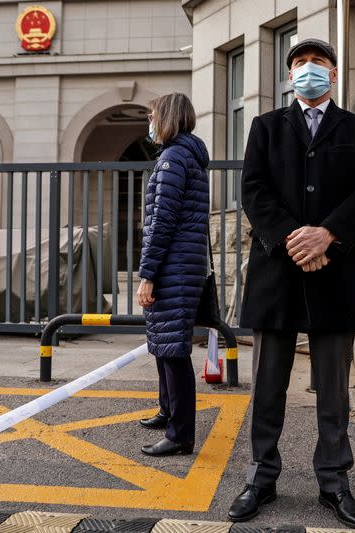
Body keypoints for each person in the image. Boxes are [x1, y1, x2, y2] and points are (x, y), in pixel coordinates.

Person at [227, 38, 355, 529]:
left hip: (335, 271)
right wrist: (295, 240)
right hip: (278, 269)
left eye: (317, 63)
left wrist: (328, 235)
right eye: (299, 64)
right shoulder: (266, 127)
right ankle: (261, 478)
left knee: (333, 388)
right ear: (288, 75)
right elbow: (254, 189)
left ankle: (335, 482)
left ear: (333, 74)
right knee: (268, 384)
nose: (307, 70)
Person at [136, 93, 210, 457]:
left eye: (152, 116)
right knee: (164, 341)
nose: (149, 123)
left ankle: (181, 434)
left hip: (173, 264)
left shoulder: (173, 159)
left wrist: (147, 274)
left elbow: (161, 221)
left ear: (165, 118)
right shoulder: (184, 156)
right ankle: (168, 411)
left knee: (174, 349)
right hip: (181, 262)